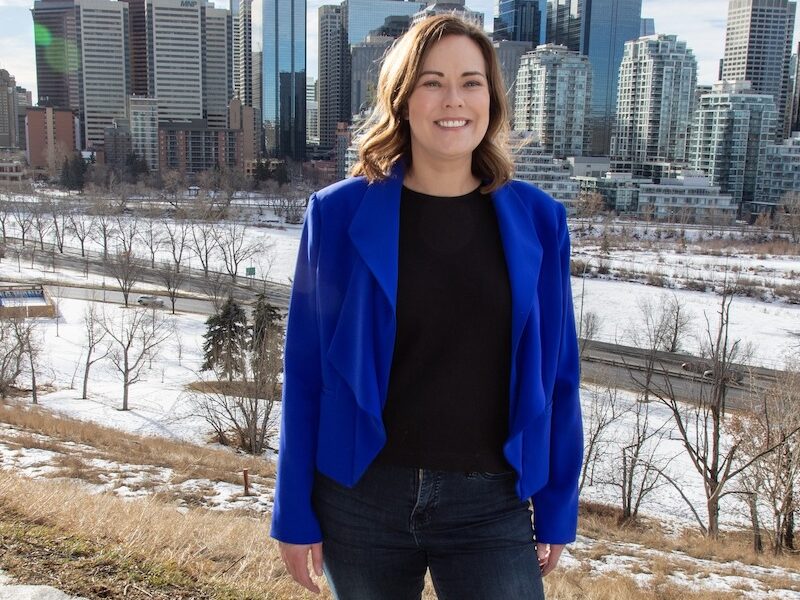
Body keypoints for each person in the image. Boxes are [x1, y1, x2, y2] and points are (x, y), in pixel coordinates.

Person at [271, 14, 583, 600]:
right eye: (432, 81)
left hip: (491, 502)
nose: (453, 100)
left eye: (471, 81)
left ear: (491, 98)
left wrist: (558, 502)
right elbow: (306, 372)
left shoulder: (541, 222)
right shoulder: (336, 215)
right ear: (403, 97)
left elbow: (560, 375)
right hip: (360, 497)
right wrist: (293, 513)